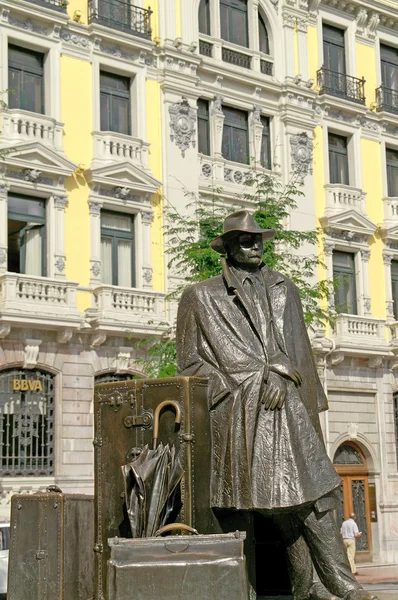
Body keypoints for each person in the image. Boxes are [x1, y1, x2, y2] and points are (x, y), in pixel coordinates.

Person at [176, 210, 378, 600]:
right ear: (230, 247)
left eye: (259, 239)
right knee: (284, 503)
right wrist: (247, 383)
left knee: (311, 497)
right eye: (246, 241)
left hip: (288, 406)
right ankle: (326, 587)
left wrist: (285, 376)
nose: (255, 246)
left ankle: (322, 586)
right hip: (239, 413)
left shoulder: (285, 288)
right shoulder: (200, 296)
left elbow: (298, 353)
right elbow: (190, 363)